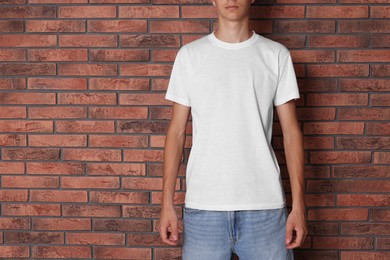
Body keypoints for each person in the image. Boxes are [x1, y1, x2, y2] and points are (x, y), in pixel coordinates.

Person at [158, 0, 308, 258]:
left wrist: (299, 206)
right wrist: (166, 204)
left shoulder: (276, 55)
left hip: (265, 210)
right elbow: (176, 132)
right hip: (204, 210)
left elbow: (292, 134)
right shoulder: (190, 56)